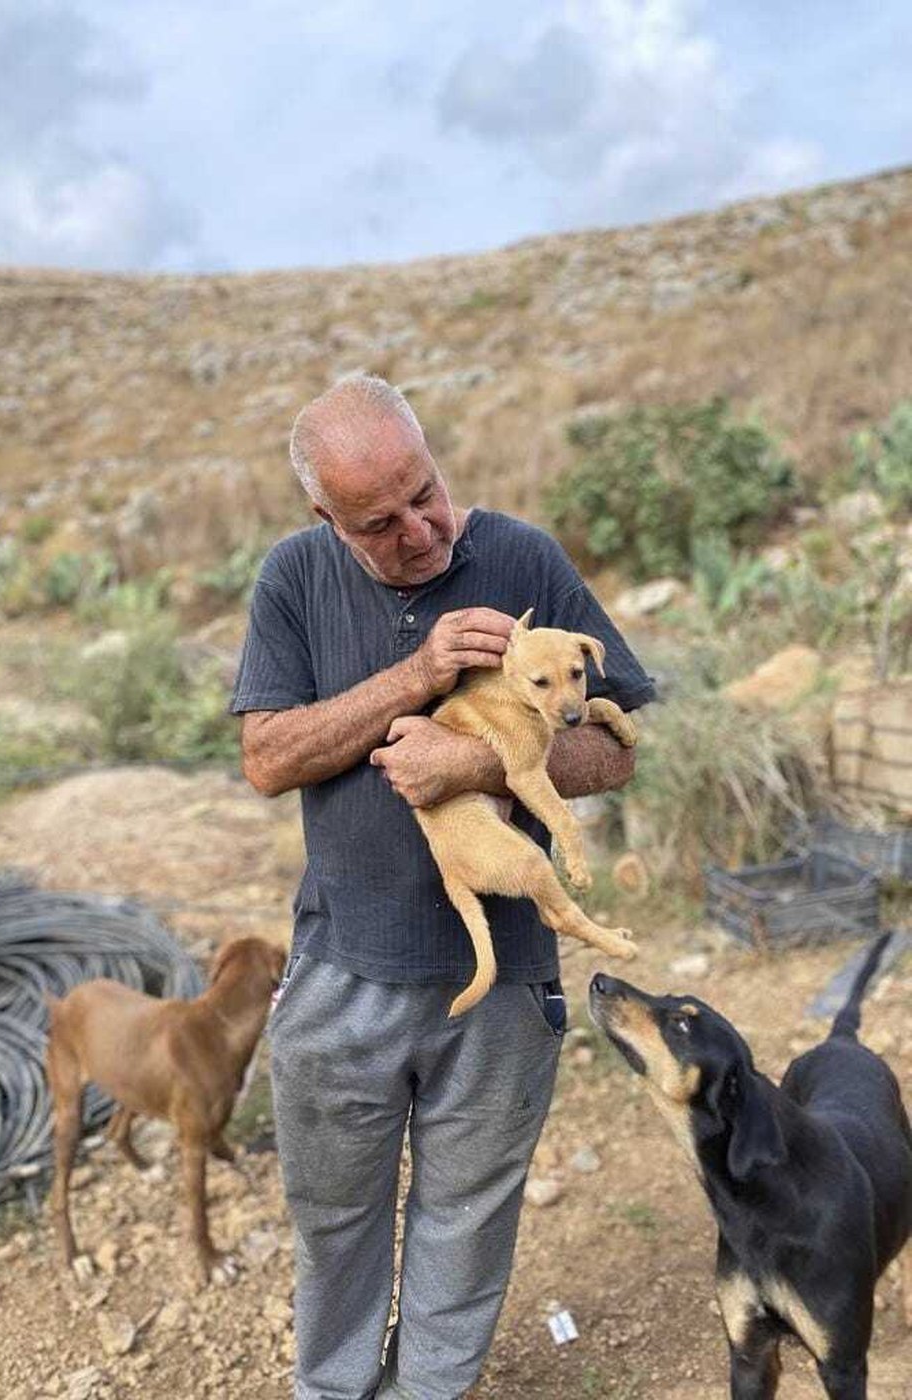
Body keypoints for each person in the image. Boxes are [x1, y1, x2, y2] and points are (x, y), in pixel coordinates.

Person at [231, 374, 655, 1399]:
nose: (420, 530)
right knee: (336, 1221)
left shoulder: (522, 558)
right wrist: (417, 677)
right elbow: (268, 756)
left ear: (430, 452)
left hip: (503, 974)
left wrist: (475, 764)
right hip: (343, 969)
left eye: (426, 492)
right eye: (380, 522)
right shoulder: (293, 578)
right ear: (325, 519)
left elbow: (616, 751)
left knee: (465, 1224)